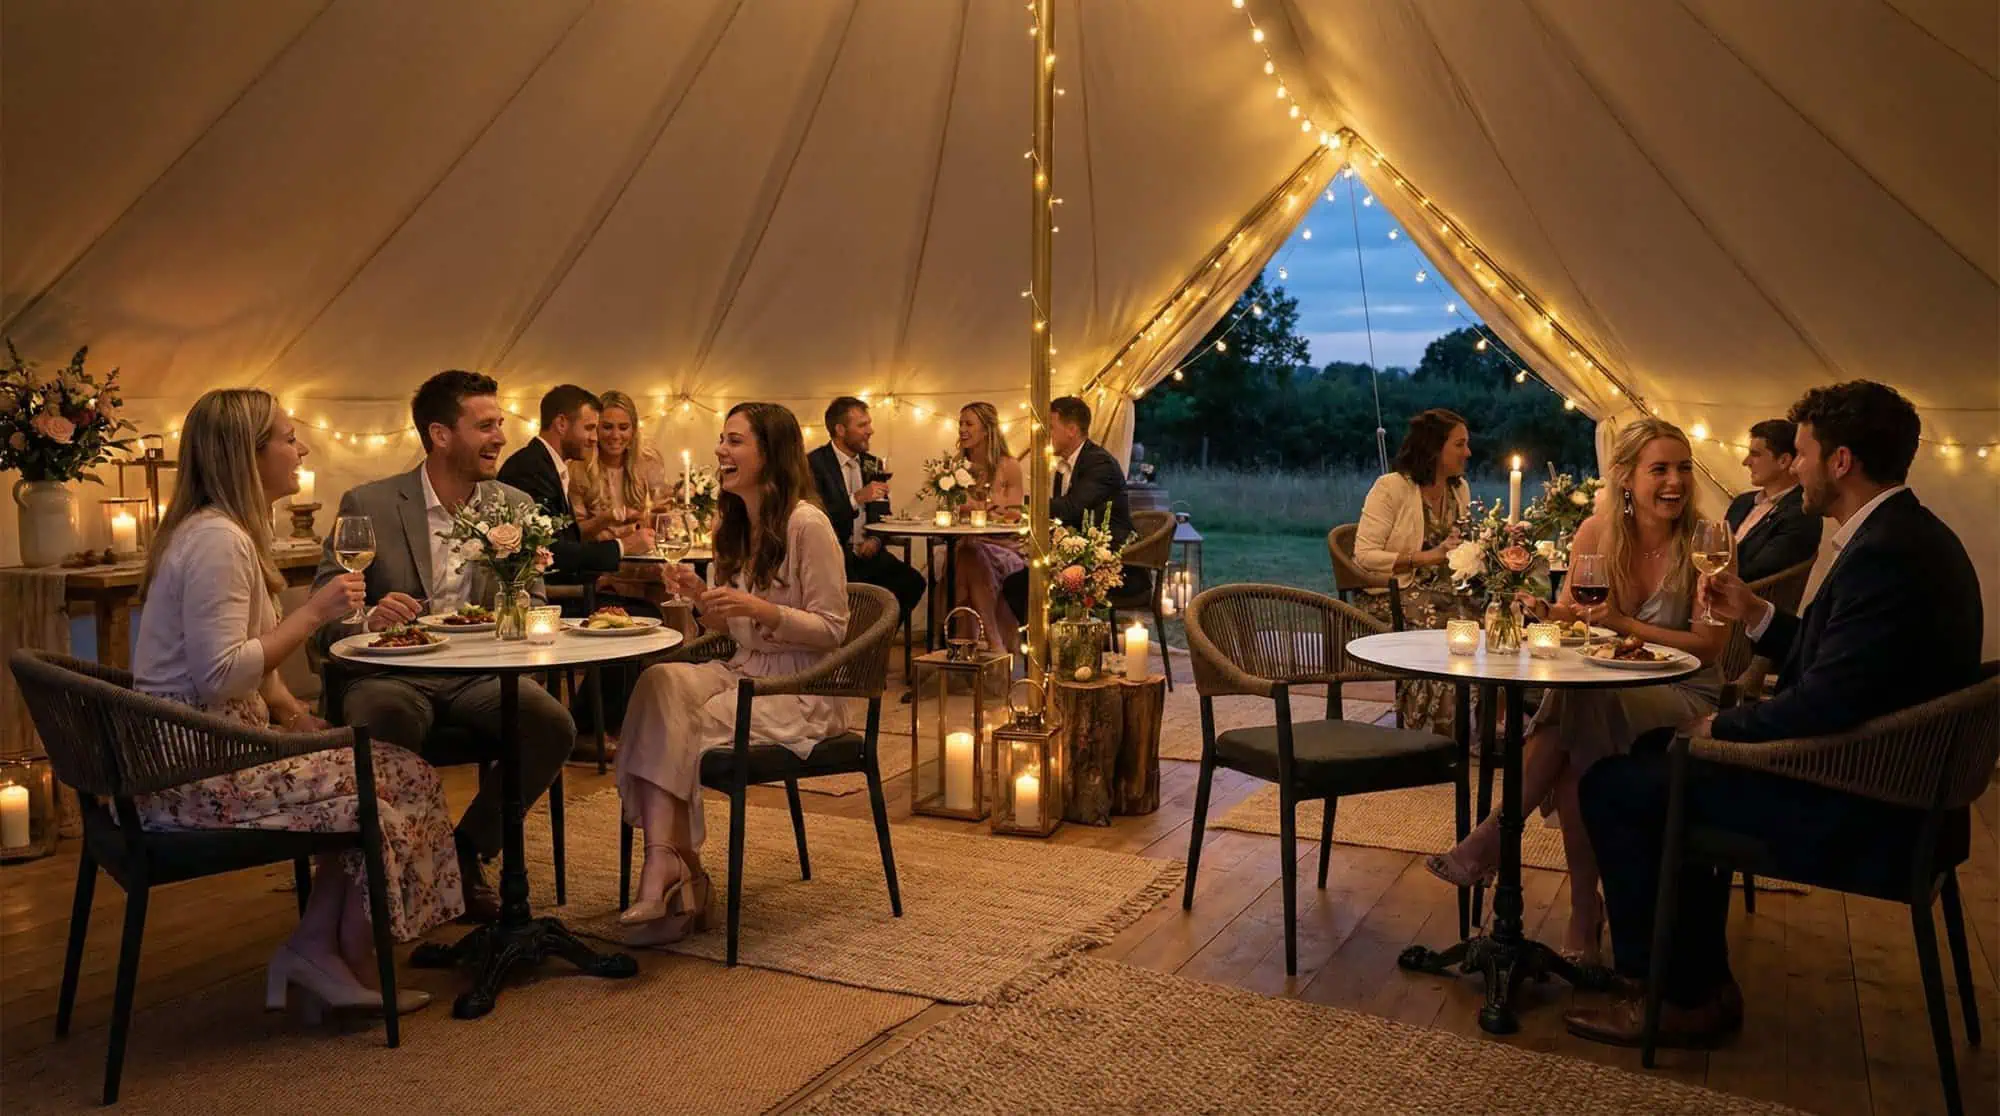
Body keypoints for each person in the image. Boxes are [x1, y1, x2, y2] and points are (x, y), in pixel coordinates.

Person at [1566, 381, 1983, 1050]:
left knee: (1614, 787)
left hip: (1864, 806)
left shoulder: (1886, 556)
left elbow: (1826, 701)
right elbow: (1837, 663)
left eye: (1805, 453)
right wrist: (1755, 614)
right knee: (1649, 761)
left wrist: (1719, 729)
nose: (1796, 467)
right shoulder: (1903, 536)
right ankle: (1700, 981)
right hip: (1890, 783)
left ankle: (1668, 994)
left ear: (1841, 461)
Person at [137, 388, 459, 1019]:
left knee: (380, 766)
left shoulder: (221, 532)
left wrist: (290, 712)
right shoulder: (216, 544)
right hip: (196, 772)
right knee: (393, 777)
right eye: (288, 438)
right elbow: (221, 676)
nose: (301, 449)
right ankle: (355, 960)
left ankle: (320, 948)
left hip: (217, 747)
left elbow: (247, 660)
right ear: (246, 454)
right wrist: (313, 613)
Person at [1426, 418, 1728, 964]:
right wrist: (1545, 610)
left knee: (1578, 711)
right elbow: (1579, 612)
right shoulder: (1596, 532)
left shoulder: (1706, 542)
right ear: (1625, 478)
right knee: (1578, 736)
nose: (1675, 482)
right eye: (1659, 469)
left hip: (1683, 694)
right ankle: (1585, 909)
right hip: (1608, 688)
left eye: (1683, 468)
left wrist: (1623, 624)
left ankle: (1501, 837)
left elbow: (1707, 648)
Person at [314, 370, 576, 923]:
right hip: (391, 674)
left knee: (551, 725)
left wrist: (519, 610)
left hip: (480, 674)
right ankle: (384, 879)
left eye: (499, 424)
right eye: (485, 426)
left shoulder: (514, 504)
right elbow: (323, 616)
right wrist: (366, 615)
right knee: (383, 718)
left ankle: (464, 850)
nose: (500, 437)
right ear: (439, 434)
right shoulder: (371, 503)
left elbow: (532, 599)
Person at [614, 402, 850, 943]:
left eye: (735, 441)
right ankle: (677, 870)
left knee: (669, 724)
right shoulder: (734, 525)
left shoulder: (806, 525)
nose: (721, 450)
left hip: (798, 687)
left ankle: (673, 876)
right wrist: (704, 601)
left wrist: (760, 610)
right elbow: (732, 630)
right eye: (722, 439)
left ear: (771, 453)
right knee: (658, 682)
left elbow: (834, 629)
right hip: (743, 669)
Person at [1352, 407, 1473, 732]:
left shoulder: (1459, 490)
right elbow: (1363, 555)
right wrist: (1427, 557)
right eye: (1459, 445)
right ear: (1435, 447)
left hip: (1446, 592)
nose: (1468, 452)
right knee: (1446, 630)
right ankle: (1430, 731)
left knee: (1492, 619)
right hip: (1390, 596)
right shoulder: (1391, 488)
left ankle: (1481, 725)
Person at [497, 384, 656, 607]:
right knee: (652, 612)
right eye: (590, 428)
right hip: (551, 599)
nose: (594, 438)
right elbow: (555, 551)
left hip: (574, 589)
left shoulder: (547, 465)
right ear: (561, 424)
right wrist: (623, 546)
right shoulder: (530, 469)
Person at [1000, 395, 1137, 625]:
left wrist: (1020, 504)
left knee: (1023, 587)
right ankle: (1046, 651)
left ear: (1072, 430)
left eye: (1050, 428)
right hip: (1078, 555)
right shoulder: (1066, 465)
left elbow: (1071, 509)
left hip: (1112, 564)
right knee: (1016, 582)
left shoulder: (1099, 463)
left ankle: (1048, 652)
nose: (1045, 435)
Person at [807, 395, 925, 626]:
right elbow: (816, 517)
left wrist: (876, 539)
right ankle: (855, 646)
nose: (870, 431)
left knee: (912, 582)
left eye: (869, 423)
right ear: (840, 430)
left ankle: (875, 641)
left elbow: (882, 511)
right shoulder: (814, 464)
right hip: (834, 554)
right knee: (856, 594)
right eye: (862, 425)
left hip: (869, 553)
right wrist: (857, 498)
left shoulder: (872, 463)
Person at [950, 401, 1027, 652]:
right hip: (969, 543)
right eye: (960, 423)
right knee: (969, 551)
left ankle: (966, 642)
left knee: (967, 557)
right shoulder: (956, 468)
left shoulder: (1009, 466)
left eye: (969, 424)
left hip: (1004, 547)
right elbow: (951, 513)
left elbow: (1015, 516)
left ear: (987, 431)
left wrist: (982, 510)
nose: (962, 429)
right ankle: (994, 644)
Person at [1725, 418, 1821, 583]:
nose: (1745, 462)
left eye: (1755, 454)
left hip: (1746, 601)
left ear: (1783, 461)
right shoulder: (1742, 502)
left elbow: (1753, 574)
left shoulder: (1802, 514)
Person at [571, 389, 669, 548]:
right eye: (607, 427)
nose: (615, 435)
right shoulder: (578, 468)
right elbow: (574, 534)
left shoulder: (649, 461)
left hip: (646, 557)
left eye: (623, 428)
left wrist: (661, 514)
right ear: (595, 428)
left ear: (634, 430)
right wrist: (605, 520)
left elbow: (663, 516)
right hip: (600, 562)